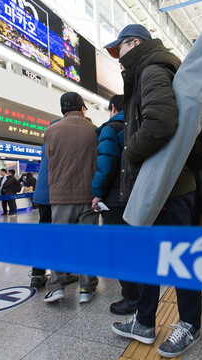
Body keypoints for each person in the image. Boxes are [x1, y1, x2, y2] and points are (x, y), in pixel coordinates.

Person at [105, 24, 200, 358]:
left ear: (135, 42)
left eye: (119, 49)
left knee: (180, 260)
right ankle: (145, 322)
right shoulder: (150, 69)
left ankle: (189, 323)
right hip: (159, 185)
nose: (117, 57)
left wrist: (129, 151)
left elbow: (160, 123)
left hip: (168, 187)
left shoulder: (152, 68)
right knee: (149, 257)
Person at [43, 92, 99, 304]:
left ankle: (57, 287)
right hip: (89, 196)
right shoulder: (95, 130)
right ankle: (86, 289)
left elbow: (50, 158)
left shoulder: (51, 130)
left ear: (62, 109)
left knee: (59, 242)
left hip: (61, 196)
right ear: (82, 108)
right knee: (88, 242)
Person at [91, 94, 139, 315]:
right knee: (135, 247)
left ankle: (131, 297)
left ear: (112, 108)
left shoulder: (111, 128)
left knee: (120, 250)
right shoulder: (139, 126)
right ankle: (139, 293)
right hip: (137, 196)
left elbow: (106, 165)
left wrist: (97, 193)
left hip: (116, 198)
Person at [30, 118, 78, 289]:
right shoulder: (65, 141)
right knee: (61, 233)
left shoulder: (46, 143)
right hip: (58, 192)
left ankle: (37, 274)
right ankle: (63, 273)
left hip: (42, 192)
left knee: (44, 232)